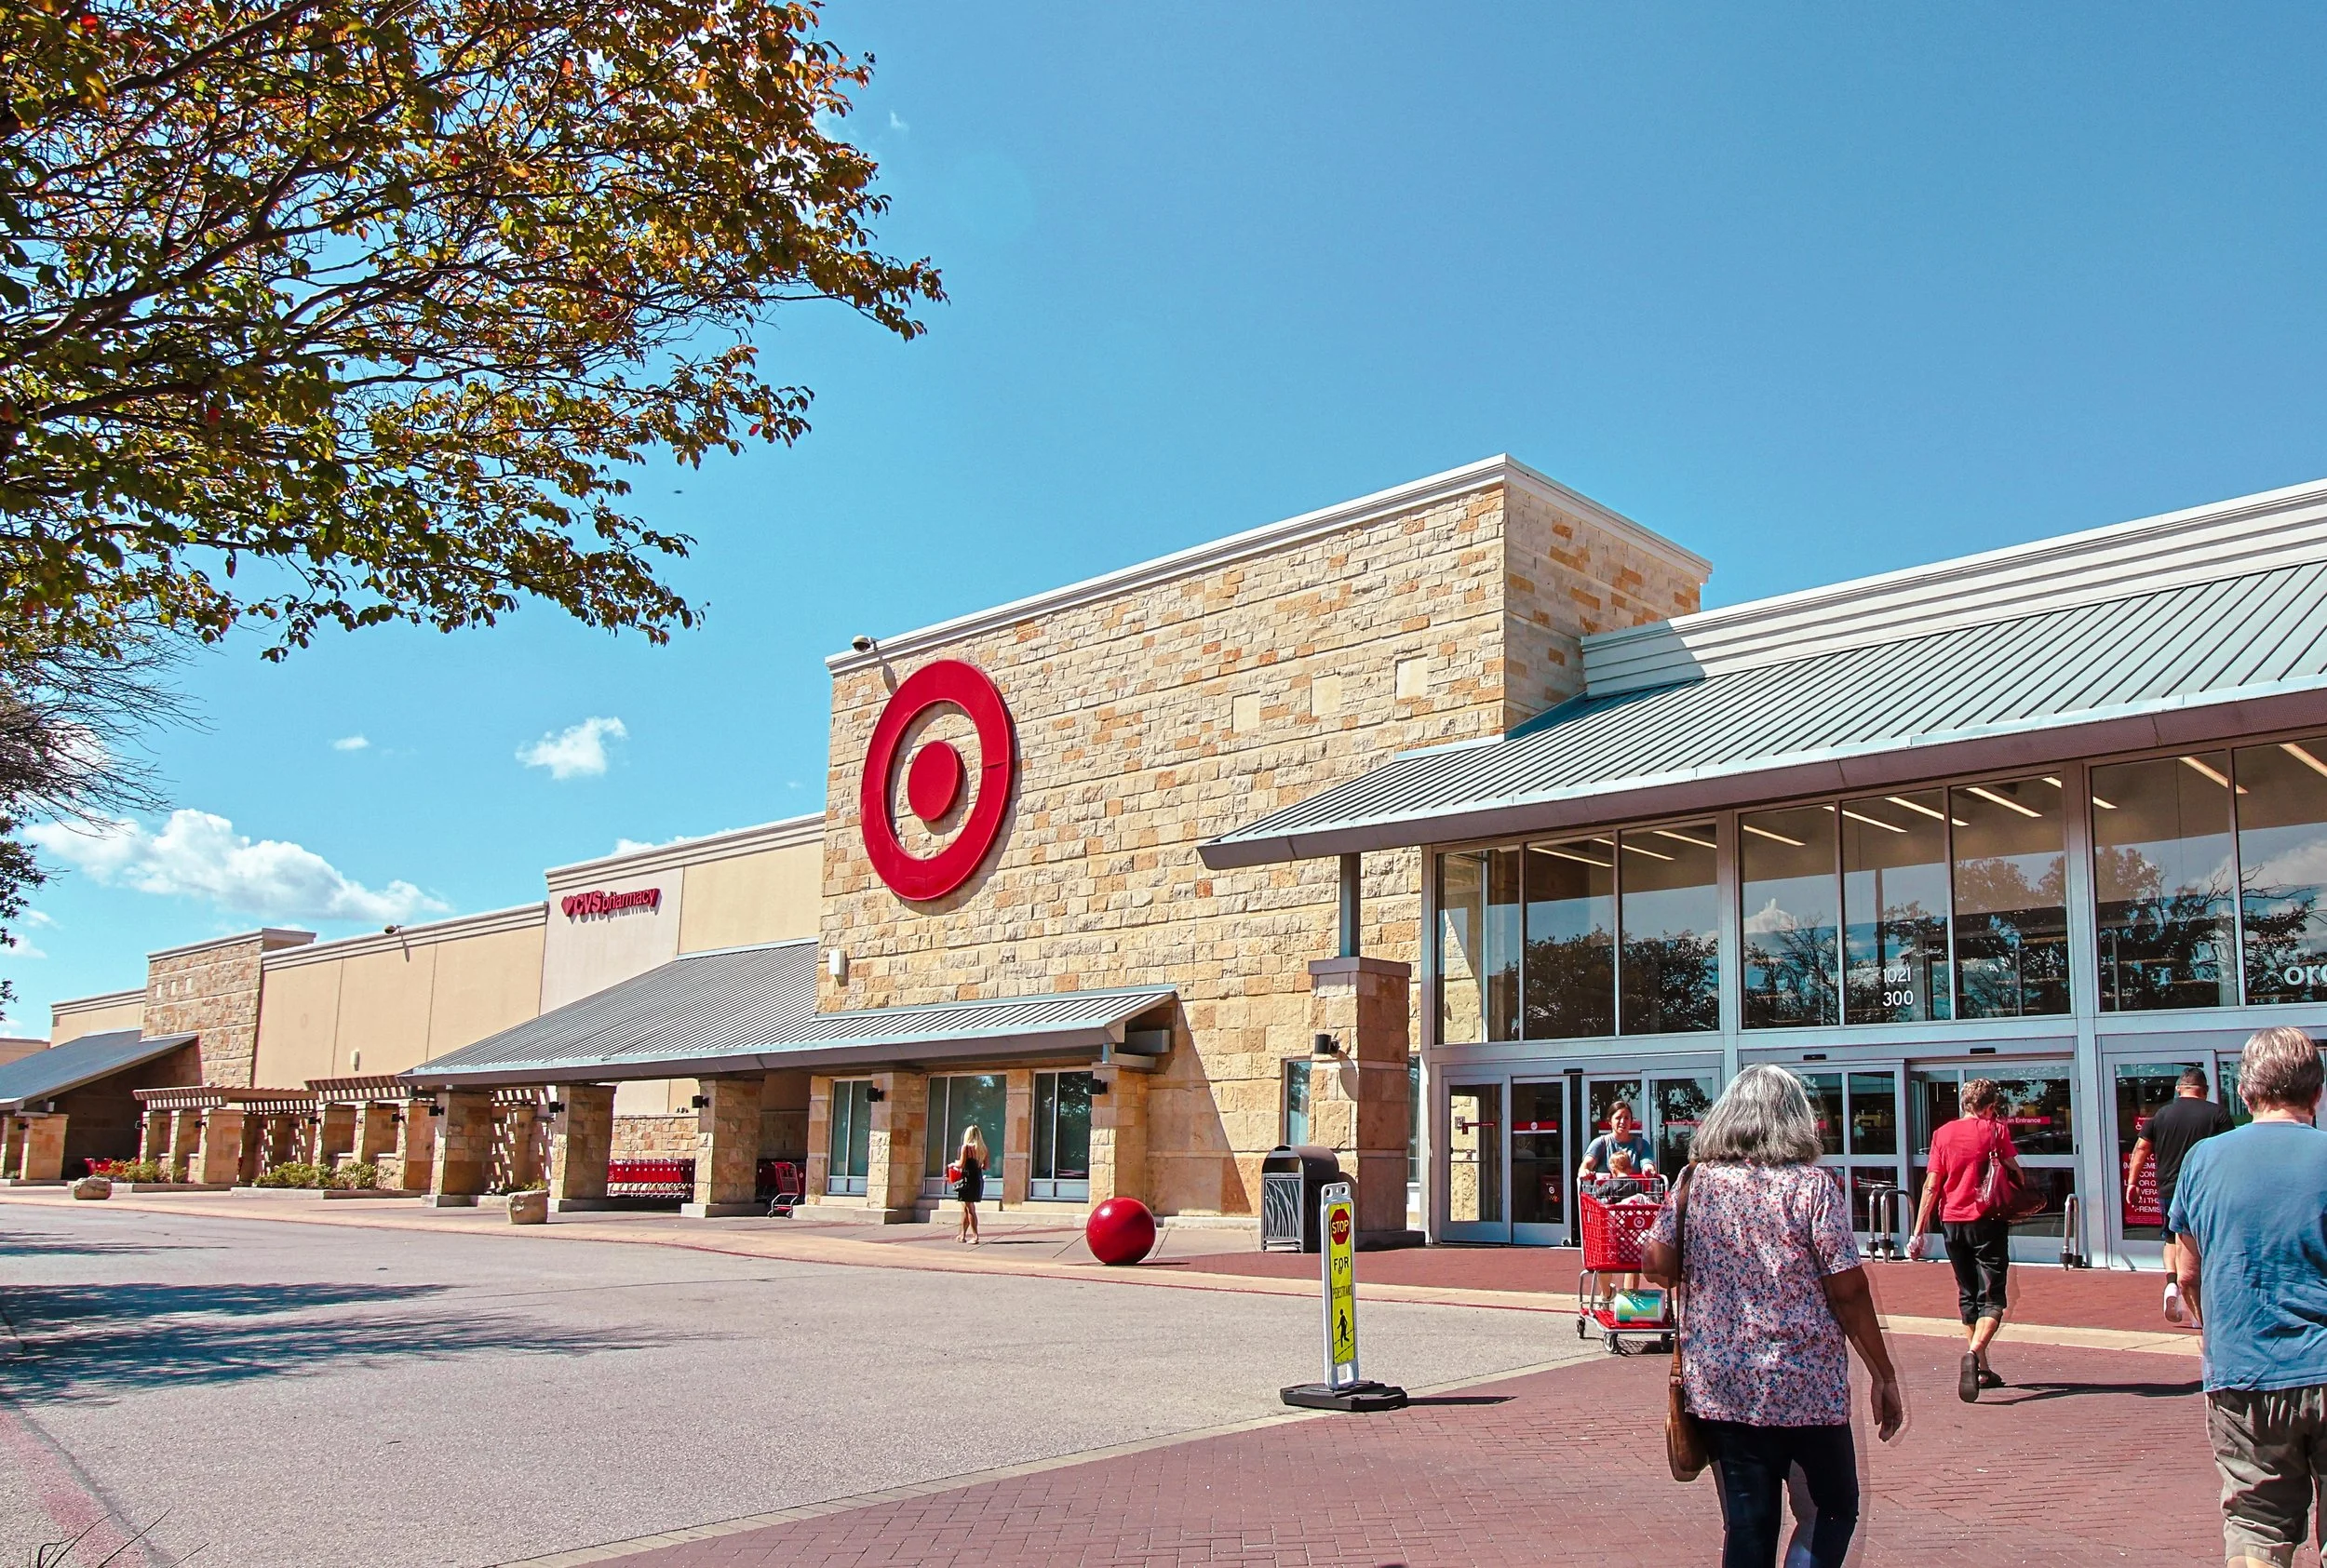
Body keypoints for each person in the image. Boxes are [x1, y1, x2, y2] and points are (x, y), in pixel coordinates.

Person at [1644, 1065, 1903, 1568]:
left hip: (1722, 1382)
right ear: (1794, 1119)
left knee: (1747, 1524)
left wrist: (1695, 1226)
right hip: (1804, 1382)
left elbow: (1655, 1264)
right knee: (1831, 1509)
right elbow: (1848, 1291)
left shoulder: (1696, 1183)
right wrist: (1883, 1374)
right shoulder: (1811, 1187)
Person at [2171, 1026, 2327, 1568]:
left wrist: (2210, 1330)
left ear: (2245, 1091)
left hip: (2244, 1369)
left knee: (2256, 1524)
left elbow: (2188, 1272)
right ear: (2317, 1091)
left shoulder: (2203, 1162)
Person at [1904, 1077, 2018, 1401]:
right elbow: (2014, 1169)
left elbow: (1931, 1184)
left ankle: (1982, 1368)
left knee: (1967, 1293)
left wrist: (1918, 1231)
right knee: (1993, 1296)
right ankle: (1973, 1352)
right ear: (1990, 1106)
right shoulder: (1996, 1131)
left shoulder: (1943, 1134)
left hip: (1951, 1220)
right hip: (1987, 1220)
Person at [2126, 1065, 2234, 1324]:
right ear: (2204, 1090)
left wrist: (2133, 1182)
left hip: (2169, 1189)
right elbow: (2232, 1152)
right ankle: (2201, 1310)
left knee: (2172, 1240)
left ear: (2178, 1089)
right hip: (2206, 1190)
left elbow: (2141, 1148)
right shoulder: (2216, 1114)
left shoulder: (2162, 1115)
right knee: (2205, 1244)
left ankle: (2172, 1284)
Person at [1579, 1100, 1658, 1186]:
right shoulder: (1601, 1143)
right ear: (1610, 1121)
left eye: (1626, 1118)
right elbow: (1587, 1164)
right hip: (1605, 1197)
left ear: (1631, 1121)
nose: (1622, 1121)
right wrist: (1584, 1171)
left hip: (1634, 1197)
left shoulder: (1641, 1144)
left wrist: (1648, 1169)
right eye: (1618, 1117)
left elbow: (1647, 1163)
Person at [954, 1125, 988, 1244]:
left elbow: (961, 1165)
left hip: (967, 1180)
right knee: (966, 1208)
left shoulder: (966, 1148)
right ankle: (962, 1234)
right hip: (977, 1179)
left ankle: (975, 1236)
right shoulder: (982, 1148)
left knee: (970, 1209)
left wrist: (953, 1165)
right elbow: (986, 1166)